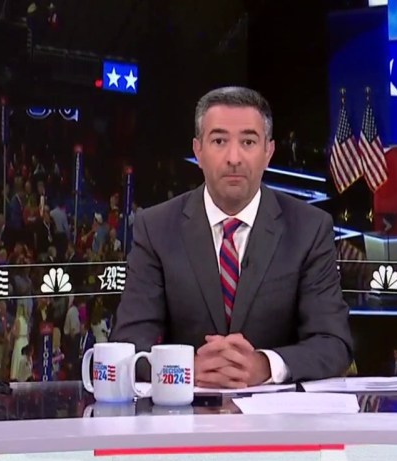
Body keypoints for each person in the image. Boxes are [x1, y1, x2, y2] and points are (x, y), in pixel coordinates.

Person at [111, 86, 353, 387]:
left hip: (278, 414)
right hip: (183, 411)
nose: (234, 157)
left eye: (248, 141)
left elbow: (333, 343)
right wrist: (183, 369)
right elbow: (128, 343)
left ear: (268, 152)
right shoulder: (156, 228)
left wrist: (265, 365)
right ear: (198, 151)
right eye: (219, 141)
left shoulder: (309, 229)